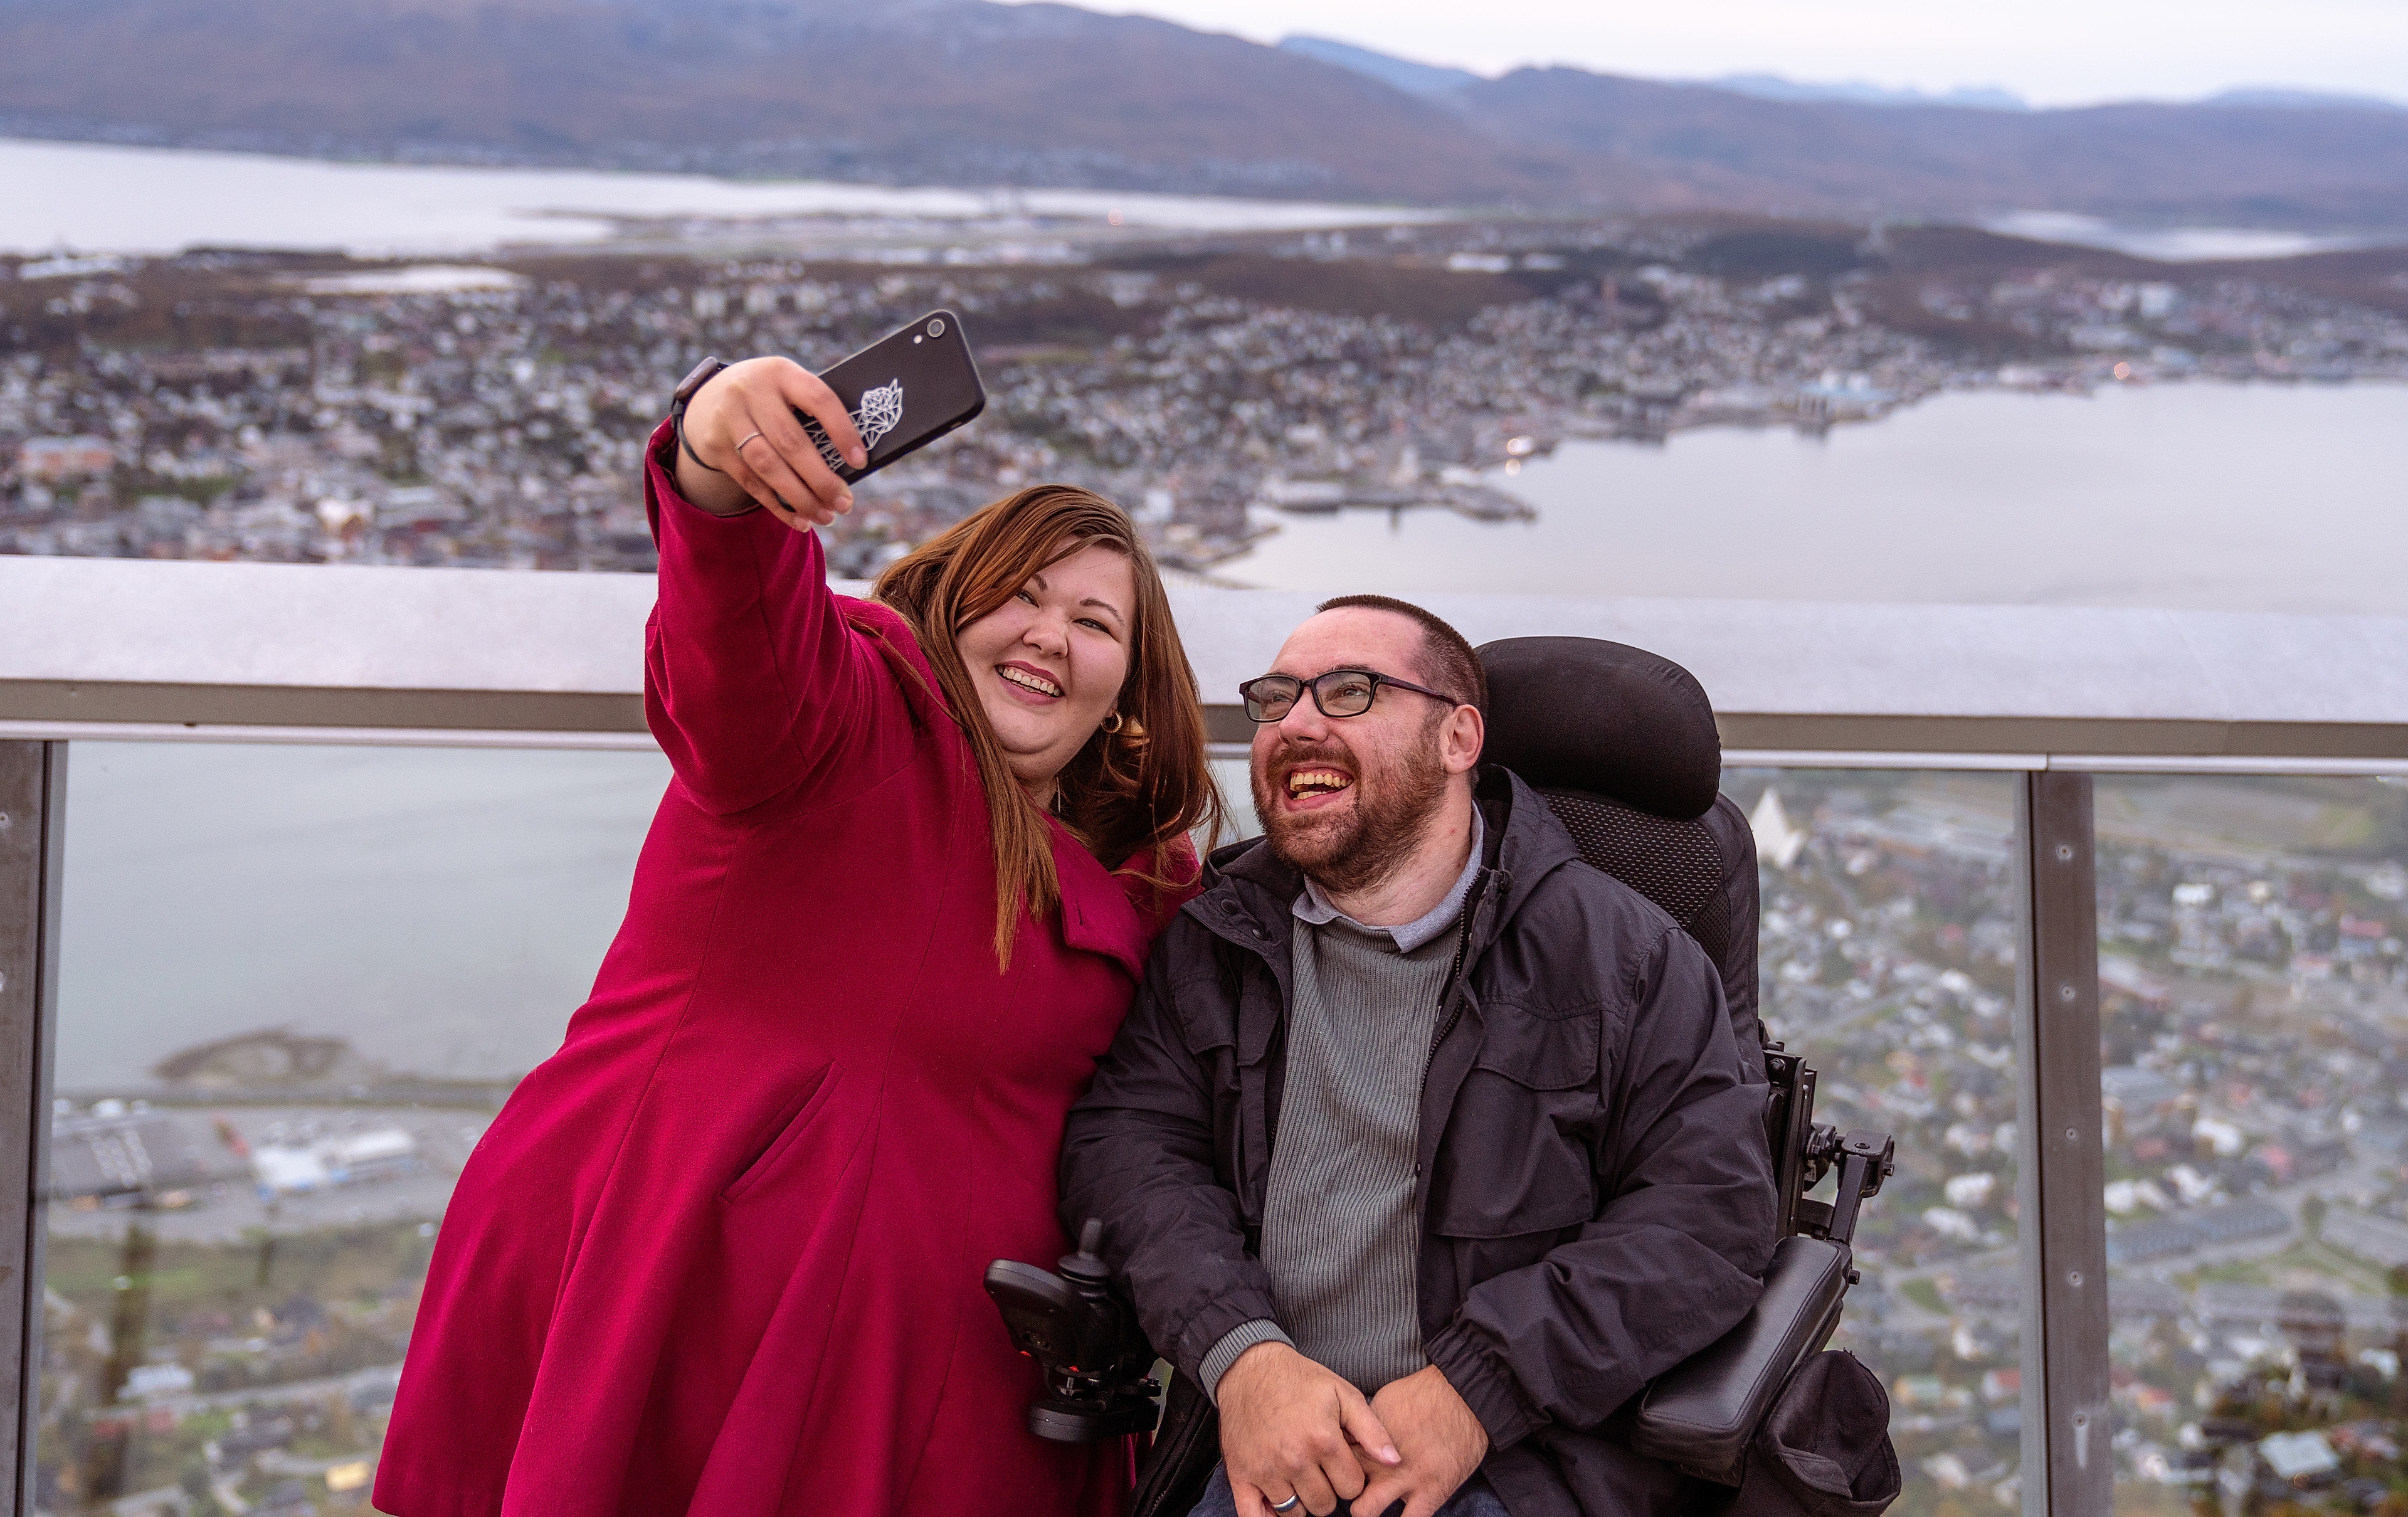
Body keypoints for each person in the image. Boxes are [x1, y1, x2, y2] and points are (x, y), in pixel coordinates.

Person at [376, 355, 1220, 1516]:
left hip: (963, 1383)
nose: (1048, 636)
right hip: (685, 1296)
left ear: (1127, 683)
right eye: (1019, 593)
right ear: (947, 601)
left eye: (1092, 621)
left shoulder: (1146, 886)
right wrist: (715, 455)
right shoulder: (846, 725)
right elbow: (739, 636)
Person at [1059, 595, 1777, 1517]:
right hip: (1268, 1446)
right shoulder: (1219, 935)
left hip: (1517, 1464)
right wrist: (1244, 1357)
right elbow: (1127, 1152)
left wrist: (1479, 1389)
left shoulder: (1623, 956)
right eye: (1276, 699)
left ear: (1459, 739)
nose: (1296, 725)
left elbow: (1707, 1217)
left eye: (1349, 692)